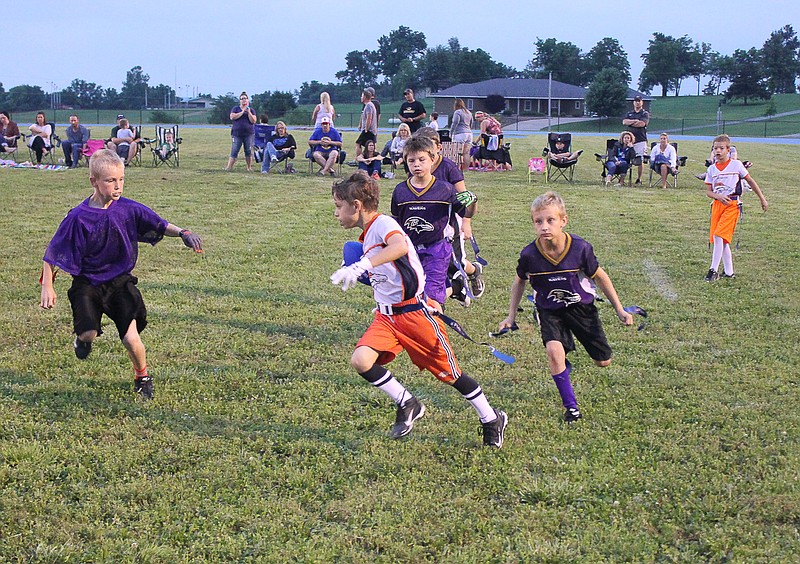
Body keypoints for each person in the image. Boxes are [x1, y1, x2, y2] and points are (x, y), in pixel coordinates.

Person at [329, 171, 507, 447]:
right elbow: (389, 271)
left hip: (413, 314)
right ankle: (408, 402)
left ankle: (491, 417)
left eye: (339, 207)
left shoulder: (383, 223)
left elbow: (399, 245)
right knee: (361, 360)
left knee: (452, 375)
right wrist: (357, 268)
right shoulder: (367, 234)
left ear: (357, 205)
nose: (336, 213)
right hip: (386, 317)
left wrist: (365, 264)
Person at [39, 149, 203, 400]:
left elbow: (159, 224)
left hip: (120, 282)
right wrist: (47, 286)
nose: (118, 186)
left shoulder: (128, 209)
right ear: (94, 181)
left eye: (121, 179)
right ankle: (82, 340)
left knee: (130, 337)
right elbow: (53, 252)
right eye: (110, 181)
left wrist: (183, 233)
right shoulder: (78, 217)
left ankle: (142, 376)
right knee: (88, 333)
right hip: (88, 283)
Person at [497, 191, 633, 422]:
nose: (544, 227)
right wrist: (511, 316)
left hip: (582, 309)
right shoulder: (529, 254)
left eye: (550, 220)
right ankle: (571, 408)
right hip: (549, 310)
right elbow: (520, 281)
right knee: (553, 352)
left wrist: (619, 309)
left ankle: (563, 365)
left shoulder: (580, 248)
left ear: (563, 220)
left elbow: (600, 277)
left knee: (603, 362)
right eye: (538, 221)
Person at [391, 136, 477, 310]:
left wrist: (473, 203)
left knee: (430, 298)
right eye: (411, 160)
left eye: (422, 160)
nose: (416, 165)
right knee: (411, 290)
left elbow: (465, 213)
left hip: (437, 248)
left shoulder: (445, 189)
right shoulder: (400, 191)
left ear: (432, 159)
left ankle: (434, 330)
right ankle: (456, 287)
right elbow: (397, 220)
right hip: (411, 249)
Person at [413, 127, 485, 306]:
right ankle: (451, 289)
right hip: (427, 225)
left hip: (450, 224)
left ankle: (472, 272)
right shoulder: (417, 168)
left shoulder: (449, 168)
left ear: (437, 148)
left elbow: (465, 198)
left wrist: (466, 222)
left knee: (456, 262)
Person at [702, 134, 768, 282]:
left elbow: (750, 181)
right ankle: (729, 271)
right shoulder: (712, 169)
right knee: (721, 239)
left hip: (732, 205)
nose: (718, 151)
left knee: (719, 235)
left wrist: (762, 198)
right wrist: (717, 196)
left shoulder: (736, 165)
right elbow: (708, 191)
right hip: (718, 205)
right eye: (715, 149)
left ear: (728, 150)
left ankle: (713, 270)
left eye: (721, 148)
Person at [226, 92, 257, 172]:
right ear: (240, 101)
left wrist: (248, 112)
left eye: (245, 98)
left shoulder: (252, 110)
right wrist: (242, 112)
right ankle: (229, 167)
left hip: (249, 134)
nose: (244, 100)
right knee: (234, 150)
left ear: (248, 100)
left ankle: (249, 167)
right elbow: (232, 117)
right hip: (237, 134)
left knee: (248, 151)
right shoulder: (236, 109)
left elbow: (253, 121)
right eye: (242, 99)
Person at [622, 95, 649, 184]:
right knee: (626, 158)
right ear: (634, 102)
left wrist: (631, 122)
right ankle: (622, 178)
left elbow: (642, 124)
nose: (637, 102)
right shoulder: (629, 113)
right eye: (636, 101)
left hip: (640, 139)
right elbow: (624, 122)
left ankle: (639, 179)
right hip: (629, 140)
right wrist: (635, 121)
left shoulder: (645, 113)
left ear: (642, 102)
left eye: (639, 101)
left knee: (639, 160)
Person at [450, 99, 473, 172]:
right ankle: (466, 169)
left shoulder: (457, 112)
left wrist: (451, 132)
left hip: (460, 133)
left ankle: (457, 169)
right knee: (466, 153)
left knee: (457, 152)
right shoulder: (468, 112)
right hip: (469, 133)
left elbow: (455, 122)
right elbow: (471, 123)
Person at [355, 88, 378, 159]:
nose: (361, 98)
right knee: (370, 146)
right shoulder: (369, 105)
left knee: (358, 143)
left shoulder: (369, 105)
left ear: (365, 97)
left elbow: (369, 118)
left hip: (369, 130)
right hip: (370, 130)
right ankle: (370, 158)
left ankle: (358, 159)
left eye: (362, 96)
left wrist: (366, 129)